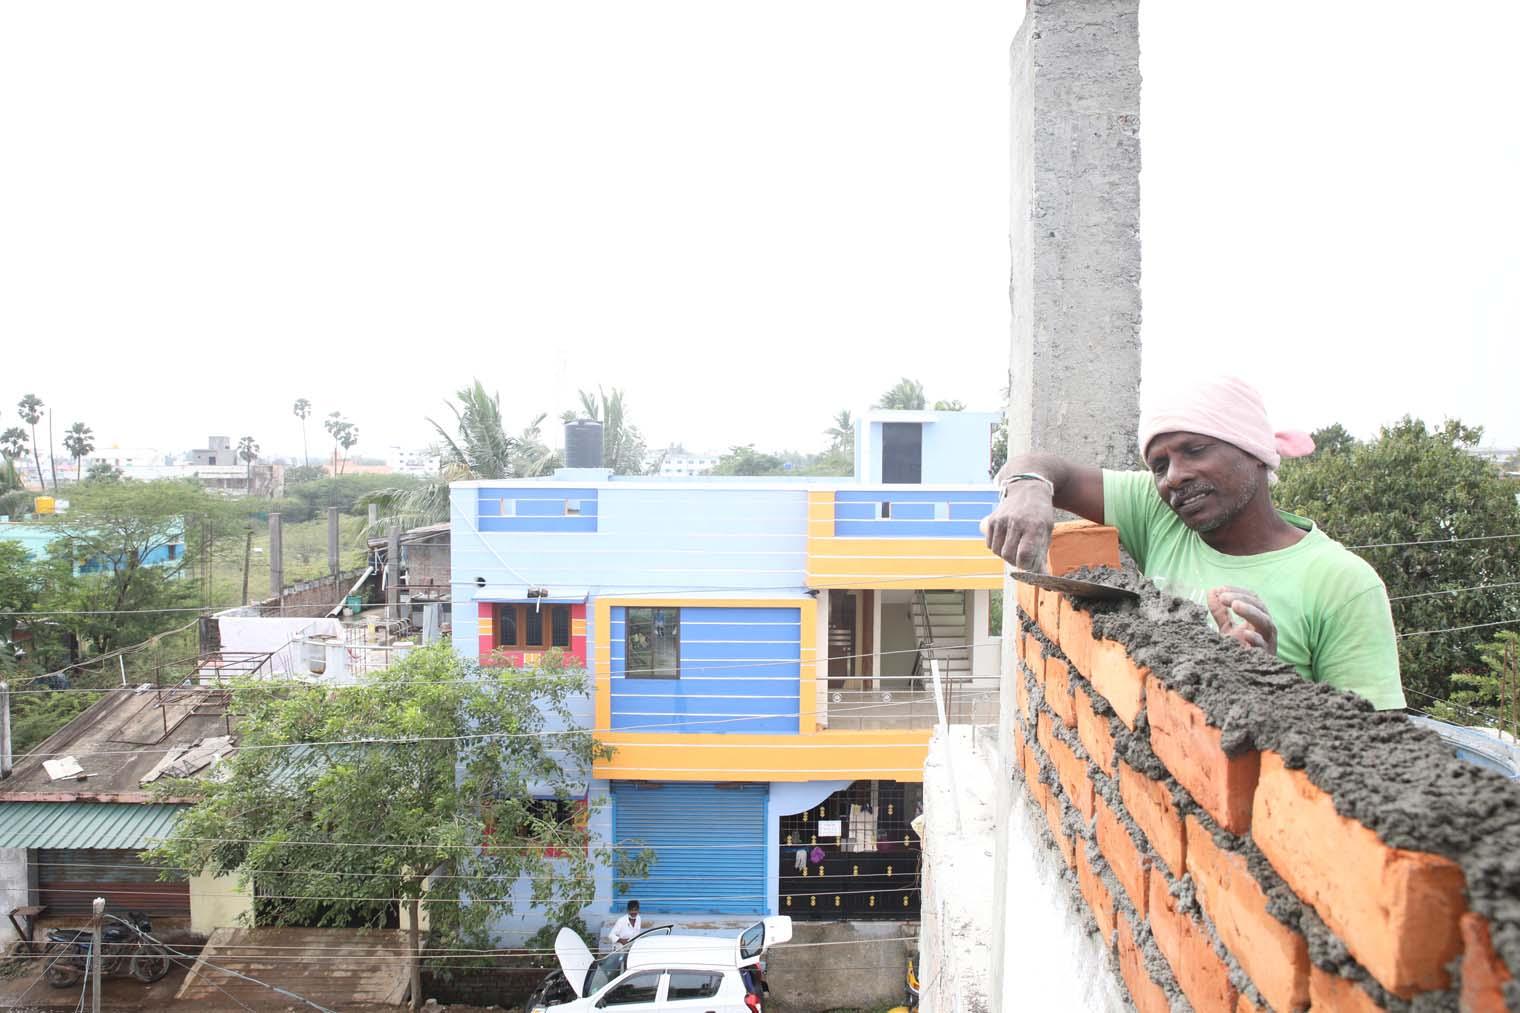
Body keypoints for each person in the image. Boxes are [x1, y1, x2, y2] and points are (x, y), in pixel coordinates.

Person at [982, 375, 1405, 710]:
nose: (1174, 477)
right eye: (1159, 464)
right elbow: (1048, 469)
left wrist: (1270, 684)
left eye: (1196, 450)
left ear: (1254, 451)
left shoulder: (1343, 584)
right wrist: (1029, 486)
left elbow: (1374, 755)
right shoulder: (1159, 514)